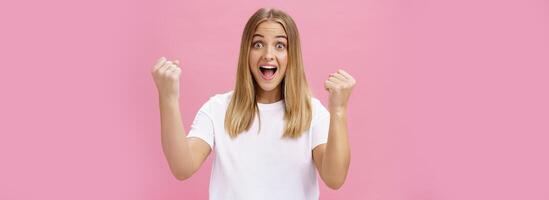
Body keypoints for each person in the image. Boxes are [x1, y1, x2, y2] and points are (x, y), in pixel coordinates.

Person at [151, 7, 356, 200]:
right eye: (258, 44)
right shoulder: (217, 109)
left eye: (280, 45)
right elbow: (182, 167)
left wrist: (339, 110)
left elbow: (335, 178)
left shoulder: (312, 113)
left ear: (291, 55)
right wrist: (168, 99)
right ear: (246, 53)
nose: (268, 54)